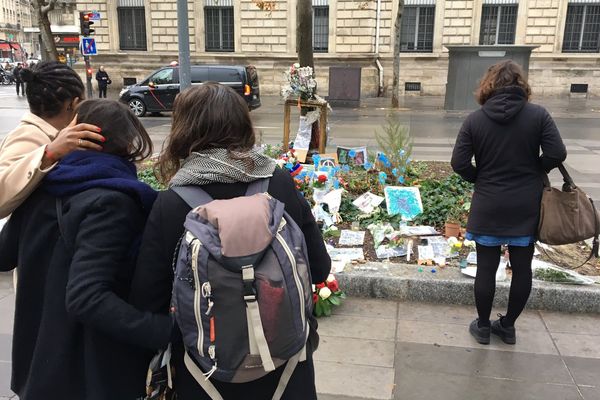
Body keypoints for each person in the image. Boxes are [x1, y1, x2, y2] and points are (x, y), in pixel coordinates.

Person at [130, 83, 331, 400]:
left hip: (205, 376)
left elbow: (147, 298)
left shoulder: (172, 202)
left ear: (184, 130)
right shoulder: (277, 181)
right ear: (242, 125)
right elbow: (319, 268)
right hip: (287, 370)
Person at [0, 99, 173, 400]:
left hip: (38, 363)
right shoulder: (112, 200)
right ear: (125, 143)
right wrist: (166, 331)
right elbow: (86, 297)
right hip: (86, 372)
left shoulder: (44, 186)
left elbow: (4, 256)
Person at [451, 60, 567, 345]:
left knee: (486, 268)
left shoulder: (475, 119)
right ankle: (508, 326)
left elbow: (459, 163)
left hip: (489, 201)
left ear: (488, 85)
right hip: (526, 203)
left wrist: (480, 177)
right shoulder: (538, 115)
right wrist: (536, 169)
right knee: (522, 268)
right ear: (521, 84)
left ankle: (482, 327)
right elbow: (557, 152)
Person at [0, 61, 105, 219]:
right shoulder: (29, 135)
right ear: (72, 104)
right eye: (83, 101)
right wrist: (49, 153)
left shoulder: (56, 135)